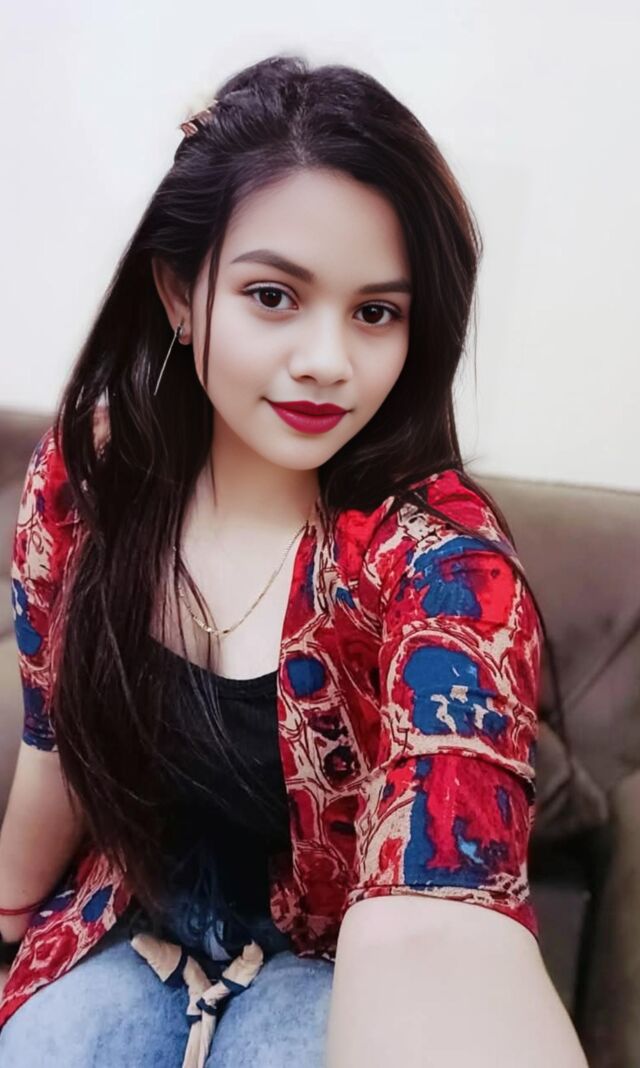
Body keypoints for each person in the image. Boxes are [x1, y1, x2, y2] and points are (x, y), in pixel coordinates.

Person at [0, 53, 588, 1067]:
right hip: (127, 915)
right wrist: (11, 915)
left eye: (375, 312)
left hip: (330, 960)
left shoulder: (441, 565)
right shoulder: (91, 476)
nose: (327, 361)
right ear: (180, 293)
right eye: (274, 295)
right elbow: (55, 741)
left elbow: (445, 895)